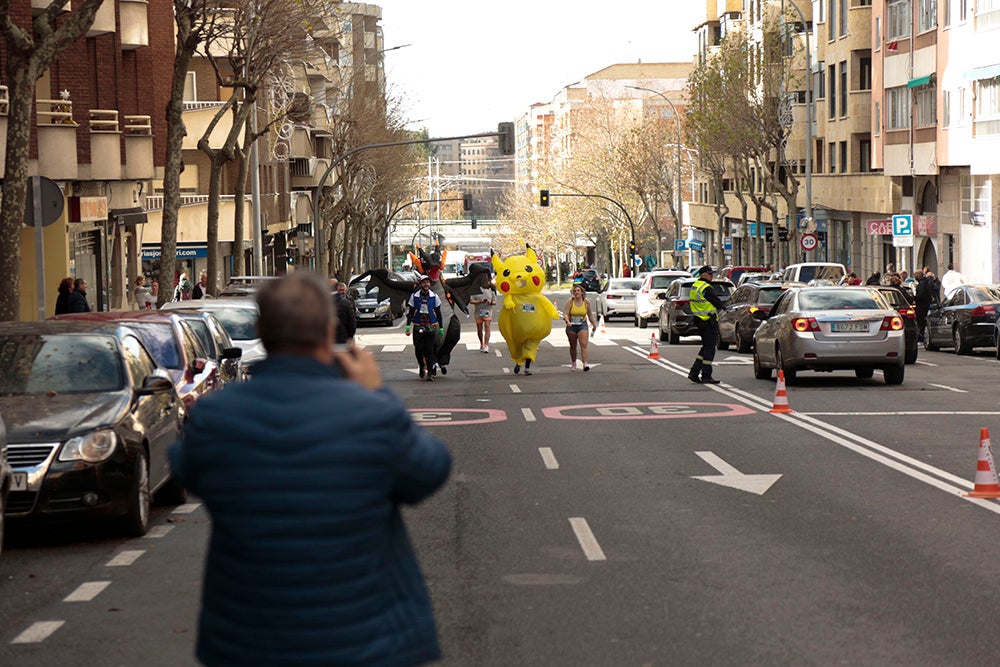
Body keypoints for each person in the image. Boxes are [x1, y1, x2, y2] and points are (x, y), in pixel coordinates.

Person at [168, 271, 451, 667]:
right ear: (327, 330)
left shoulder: (217, 416)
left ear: (264, 334)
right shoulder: (367, 411)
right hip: (366, 636)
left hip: (250, 639)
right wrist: (376, 394)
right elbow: (429, 471)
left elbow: (185, 470)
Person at [687, 266, 725, 385]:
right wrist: (723, 306)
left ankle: (694, 372)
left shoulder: (695, 285)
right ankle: (706, 376)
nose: (711, 276)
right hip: (708, 321)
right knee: (710, 349)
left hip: (699, 321)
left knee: (705, 347)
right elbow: (717, 302)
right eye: (709, 274)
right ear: (703, 274)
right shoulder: (706, 288)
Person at [405, 274, 443, 381]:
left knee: (430, 350)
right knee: (418, 349)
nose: (426, 284)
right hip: (418, 326)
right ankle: (421, 365)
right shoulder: (415, 296)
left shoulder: (434, 297)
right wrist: (408, 325)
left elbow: (438, 313)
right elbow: (411, 312)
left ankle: (430, 373)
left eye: (428, 282)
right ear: (420, 284)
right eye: (424, 282)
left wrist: (441, 328)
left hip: (430, 326)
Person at [563, 283, 597, 371]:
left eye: (578, 290)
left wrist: (594, 324)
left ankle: (585, 364)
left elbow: (590, 314)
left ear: (582, 292)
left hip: (582, 325)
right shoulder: (570, 301)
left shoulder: (586, 302)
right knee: (573, 346)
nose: (576, 292)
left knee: (583, 345)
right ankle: (574, 363)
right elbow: (565, 313)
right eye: (574, 291)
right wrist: (568, 321)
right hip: (571, 326)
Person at [469, 284, 497, 353]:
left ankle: (486, 345)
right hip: (478, 312)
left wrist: (490, 302)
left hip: (488, 312)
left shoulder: (491, 290)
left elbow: (494, 301)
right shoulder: (475, 289)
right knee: (479, 329)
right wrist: (479, 301)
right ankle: (481, 343)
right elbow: (471, 300)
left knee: (487, 326)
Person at [913, 269, 937, 342]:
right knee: (922, 322)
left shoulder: (922, 284)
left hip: (921, 306)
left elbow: (921, 295)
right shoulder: (925, 282)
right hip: (925, 305)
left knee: (921, 322)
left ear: (919, 275)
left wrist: (913, 298)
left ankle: (921, 337)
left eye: (915, 275)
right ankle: (922, 336)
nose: (914, 277)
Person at [330, 279, 357, 345]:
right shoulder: (346, 303)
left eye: (343, 290)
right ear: (336, 289)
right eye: (340, 290)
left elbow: (352, 318)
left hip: (343, 337)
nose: (342, 292)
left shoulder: (349, 300)